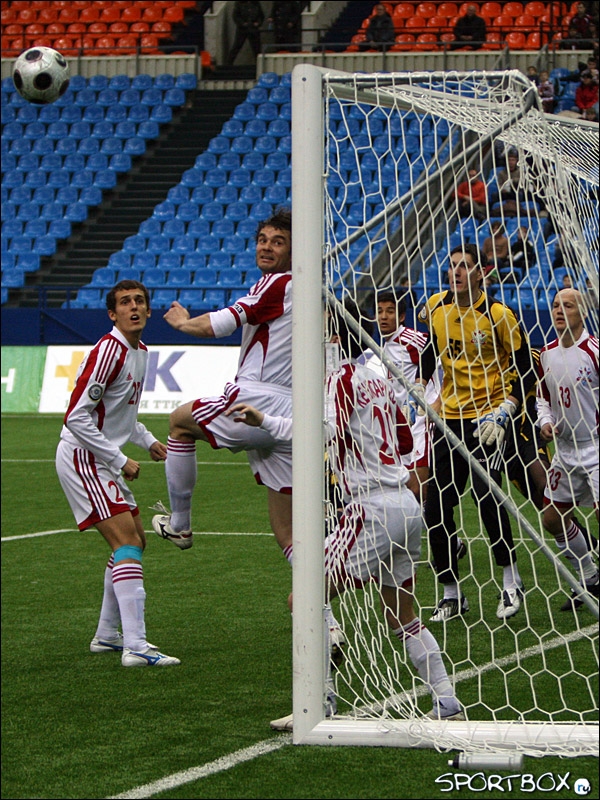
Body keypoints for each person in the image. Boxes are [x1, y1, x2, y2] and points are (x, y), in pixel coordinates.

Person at [230, 300, 464, 722]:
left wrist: (264, 420)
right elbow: (405, 443)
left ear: (334, 336)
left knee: (304, 597)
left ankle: (317, 702)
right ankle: (446, 701)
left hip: (370, 509)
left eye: (317, 328)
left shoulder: (338, 380)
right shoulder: (378, 378)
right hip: (405, 506)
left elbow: (319, 430)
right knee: (402, 615)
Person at [150, 208, 344, 652]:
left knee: (178, 423)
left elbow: (221, 323)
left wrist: (182, 323)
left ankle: (180, 525)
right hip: (293, 416)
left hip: (257, 402)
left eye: (278, 241)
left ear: (295, 249)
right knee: (290, 535)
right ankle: (328, 625)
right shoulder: (312, 292)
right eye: (262, 239)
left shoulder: (279, 283)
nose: (266, 247)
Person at [55, 280, 179, 668]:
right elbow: (76, 417)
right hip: (83, 456)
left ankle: (108, 634)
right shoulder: (109, 351)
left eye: (139, 301)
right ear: (113, 314)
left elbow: (122, 414)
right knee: (126, 540)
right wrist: (120, 458)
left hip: (100, 457)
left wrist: (149, 441)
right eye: (125, 303)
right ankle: (136, 646)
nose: (134, 307)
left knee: (135, 541)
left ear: (148, 310)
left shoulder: (139, 352)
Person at [414, 244, 535, 622]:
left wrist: (506, 410)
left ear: (481, 273)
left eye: (464, 266)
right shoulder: (436, 306)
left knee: (486, 496)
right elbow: (432, 349)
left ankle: (511, 580)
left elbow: (526, 369)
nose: (457, 272)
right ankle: (451, 594)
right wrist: (420, 382)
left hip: (488, 421)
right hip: (449, 419)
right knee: (435, 507)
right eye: (452, 266)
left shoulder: (499, 315)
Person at [536, 288, 599, 610]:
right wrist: (546, 421)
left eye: (568, 306)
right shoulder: (546, 353)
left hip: (596, 447)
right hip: (565, 450)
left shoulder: (594, 350)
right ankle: (589, 576)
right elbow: (543, 398)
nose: (560, 311)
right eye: (556, 305)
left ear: (583, 312)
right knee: (551, 519)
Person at [376, 292, 437, 503]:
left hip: (421, 419)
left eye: (389, 311)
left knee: (418, 487)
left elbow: (440, 359)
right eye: (380, 311)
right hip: (402, 423)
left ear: (401, 316)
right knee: (406, 485)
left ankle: (431, 520)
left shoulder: (412, 340)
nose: (383, 316)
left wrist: (435, 401)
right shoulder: (385, 345)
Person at [227, 0, 264, 66]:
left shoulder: (256, 3)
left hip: (253, 28)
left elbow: (261, 15)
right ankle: (229, 64)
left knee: (257, 48)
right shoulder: (239, 3)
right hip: (242, 29)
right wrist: (243, 23)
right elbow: (235, 16)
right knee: (237, 46)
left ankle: (259, 65)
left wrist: (258, 23)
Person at [493, 149, 525, 217]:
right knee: (495, 195)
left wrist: (513, 182)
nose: (511, 162)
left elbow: (522, 184)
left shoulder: (520, 172)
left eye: (513, 160)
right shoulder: (501, 173)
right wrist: (502, 189)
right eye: (509, 160)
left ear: (516, 161)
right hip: (505, 193)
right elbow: (499, 184)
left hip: (517, 191)